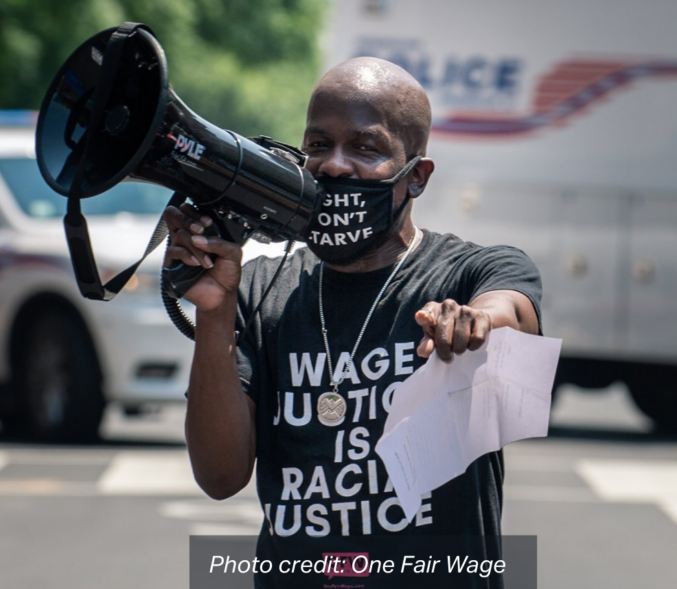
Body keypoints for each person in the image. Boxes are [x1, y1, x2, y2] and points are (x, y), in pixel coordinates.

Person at [164, 57, 541, 585]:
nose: (335, 166)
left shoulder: (472, 271)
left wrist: (478, 324)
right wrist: (213, 312)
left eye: (365, 149)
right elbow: (220, 477)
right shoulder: (259, 289)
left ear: (417, 177)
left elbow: (511, 313)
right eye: (318, 146)